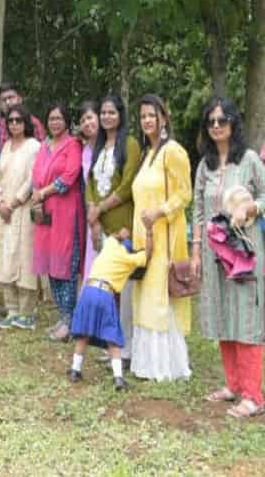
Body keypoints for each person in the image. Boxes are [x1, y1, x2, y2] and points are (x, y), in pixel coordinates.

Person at [192, 97, 265, 416]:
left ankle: (253, 396)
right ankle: (233, 384)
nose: (216, 126)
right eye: (211, 122)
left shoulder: (249, 160)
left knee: (246, 316)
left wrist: (251, 208)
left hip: (244, 251)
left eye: (222, 120)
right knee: (223, 312)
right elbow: (197, 210)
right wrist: (195, 251)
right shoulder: (204, 165)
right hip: (213, 254)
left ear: (234, 123)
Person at [130, 95, 193, 382]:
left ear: (163, 118)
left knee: (159, 297)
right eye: (143, 116)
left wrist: (160, 211)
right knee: (145, 297)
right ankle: (146, 363)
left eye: (151, 115)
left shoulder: (173, 151)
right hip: (145, 238)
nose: (147, 121)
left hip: (166, 236)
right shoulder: (147, 154)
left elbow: (184, 193)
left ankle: (166, 365)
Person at [86, 95, 142, 360]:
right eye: (103, 112)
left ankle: (127, 348)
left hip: (123, 227)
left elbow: (128, 185)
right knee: (107, 288)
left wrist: (100, 209)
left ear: (121, 115)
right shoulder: (99, 146)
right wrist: (94, 219)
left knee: (126, 290)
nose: (107, 117)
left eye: (112, 112)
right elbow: (90, 184)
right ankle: (112, 346)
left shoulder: (130, 144)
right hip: (103, 227)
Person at [68, 225, 148, 391]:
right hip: (105, 293)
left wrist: (121, 235)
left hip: (89, 290)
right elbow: (148, 254)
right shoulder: (129, 260)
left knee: (83, 333)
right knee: (112, 336)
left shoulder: (110, 245)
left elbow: (113, 235)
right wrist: (150, 233)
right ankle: (118, 378)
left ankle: (75, 370)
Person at [30, 103, 84, 342]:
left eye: (59, 118)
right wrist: (36, 193)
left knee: (66, 265)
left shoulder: (73, 145)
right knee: (51, 264)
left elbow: (69, 177)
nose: (54, 123)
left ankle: (70, 321)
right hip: (46, 214)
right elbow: (36, 174)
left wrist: (43, 192)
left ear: (67, 121)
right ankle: (63, 316)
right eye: (51, 119)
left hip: (66, 212)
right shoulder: (44, 146)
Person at [0, 105, 41, 330]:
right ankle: (11, 310)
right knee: (6, 257)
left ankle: (27, 312)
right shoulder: (6, 146)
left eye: (18, 120)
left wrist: (13, 203)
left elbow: (32, 179)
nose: (14, 124)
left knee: (24, 257)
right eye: (10, 120)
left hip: (22, 209)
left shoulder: (34, 147)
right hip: (4, 211)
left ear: (26, 123)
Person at [77, 101, 100, 278]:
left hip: (109, 214)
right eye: (83, 120)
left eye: (90, 117)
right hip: (91, 214)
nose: (87, 123)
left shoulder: (109, 147)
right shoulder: (84, 151)